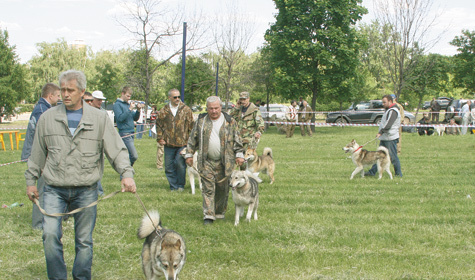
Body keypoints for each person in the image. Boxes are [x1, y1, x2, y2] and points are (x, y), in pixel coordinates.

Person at [24, 70, 136, 280]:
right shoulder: (47, 118)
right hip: (54, 189)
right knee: (49, 235)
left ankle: (81, 277)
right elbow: (37, 153)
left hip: (86, 190)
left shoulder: (99, 118)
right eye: (63, 90)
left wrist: (126, 174)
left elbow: (117, 149)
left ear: (83, 92)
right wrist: (31, 182)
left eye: (70, 90)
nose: (65, 94)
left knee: (84, 241)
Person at [185, 96, 244, 225]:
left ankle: (219, 212)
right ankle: (209, 215)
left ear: (221, 107)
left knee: (222, 188)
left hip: (225, 163)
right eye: (211, 108)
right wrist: (189, 154)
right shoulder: (201, 121)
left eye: (216, 108)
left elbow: (238, 141)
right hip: (206, 161)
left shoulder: (230, 121)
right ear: (207, 108)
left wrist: (239, 155)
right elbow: (192, 139)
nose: (214, 111)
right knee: (208, 188)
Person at [21, 83, 61, 230]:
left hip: (43, 156)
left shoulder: (43, 108)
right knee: (42, 190)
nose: (59, 98)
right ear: (50, 96)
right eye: (57, 96)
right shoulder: (42, 111)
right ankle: (38, 224)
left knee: (49, 189)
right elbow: (42, 138)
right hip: (40, 157)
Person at [156, 89, 194, 191]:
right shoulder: (163, 110)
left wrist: (192, 142)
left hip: (183, 143)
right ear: (169, 98)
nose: (177, 99)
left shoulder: (186, 109)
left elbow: (192, 126)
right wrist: (160, 138)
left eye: (178, 97)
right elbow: (159, 125)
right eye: (175, 97)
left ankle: (180, 185)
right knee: (169, 167)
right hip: (168, 143)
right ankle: (173, 186)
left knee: (179, 164)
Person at [366, 94, 402, 177]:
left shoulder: (393, 111)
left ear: (390, 101)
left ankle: (398, 174)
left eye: (384, 102)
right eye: (382, 102)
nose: (383, 104)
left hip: (390, 138)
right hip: (385, 137)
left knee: (393, 157)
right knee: (379, 155)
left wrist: (380, 132)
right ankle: (372, 172)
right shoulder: (389, 110)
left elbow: (388, 125)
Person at [84, 90, 109, 196]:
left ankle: (98, 190)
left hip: (99, 143)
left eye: (101, 100)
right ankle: (97, 190)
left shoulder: (103, 113)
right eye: (98, 100)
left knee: (97, 167)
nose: (100, 102)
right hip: (87, 145)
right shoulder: (84, 113)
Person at [113, 86, 142, 166]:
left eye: (130, 96)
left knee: (128, 155)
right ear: (122, 94)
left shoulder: (127, 105)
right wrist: (129, 109)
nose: (129, 98)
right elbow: (120, 118)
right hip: (125, 133)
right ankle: (127, 170)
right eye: (127, 96)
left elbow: (135, 118)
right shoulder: (117, 105)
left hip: (131, 133)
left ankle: (125, 172)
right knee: (134, 156)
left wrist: (138, 110)